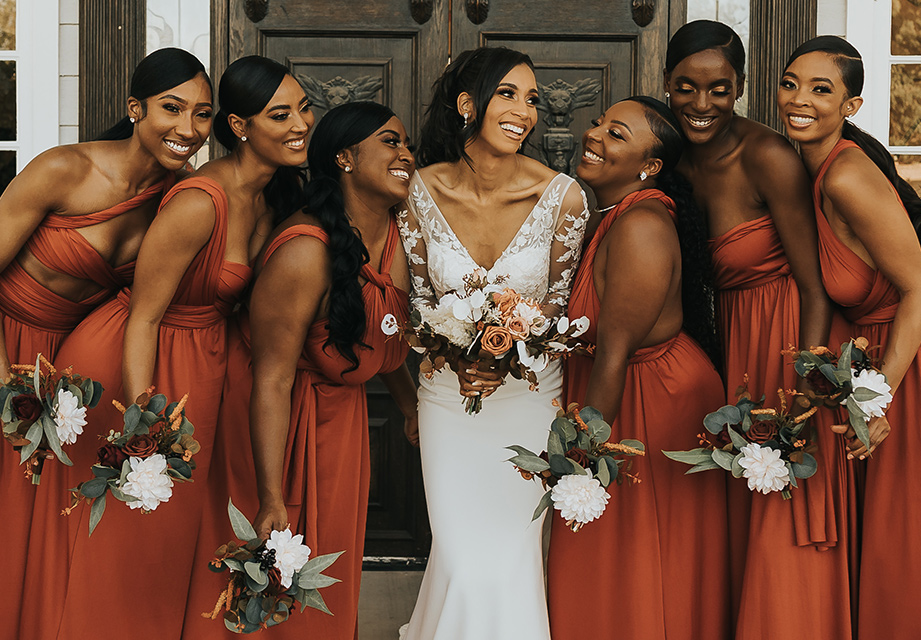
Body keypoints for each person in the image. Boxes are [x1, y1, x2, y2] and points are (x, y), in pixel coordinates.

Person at [48, 55, 314, 638]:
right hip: (139, 358)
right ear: (242, 127)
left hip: (204, 363)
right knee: (128, 542)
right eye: (281, 113)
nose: (301, 123)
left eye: (304, 108)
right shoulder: (200, 200)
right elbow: (143, 317)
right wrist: (145, 422)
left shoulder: (270, 201)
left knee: (172, 542)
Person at [184, 101, 418, 639]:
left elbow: (373, 333)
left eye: (407, 144)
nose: (405, 154)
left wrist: (408, 403)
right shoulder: (304, 252)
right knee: (274, 570)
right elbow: (272, 378)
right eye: (390, 141)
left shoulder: (399, 238)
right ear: (345, 158)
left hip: (343, 423)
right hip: (280, 425)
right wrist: (268, 495)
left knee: (328, 579)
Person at [0, 47, 211, 640]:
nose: (188, 129)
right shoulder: (65, 170)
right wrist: (7, 387)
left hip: (65, 380)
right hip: (7, 344)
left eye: (202, 115)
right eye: (172, 109)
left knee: (36, 521)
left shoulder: (181, 198)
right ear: (134, 108)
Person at [663, 21, 851, 639]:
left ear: (740, 86)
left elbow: (815, 283)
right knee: (745, 489)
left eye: (719, 89)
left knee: (783, 491)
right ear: (667, 83)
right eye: (687, 87)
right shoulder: (675, 161)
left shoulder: (767, 155)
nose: (701, 103)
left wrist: (804, 380)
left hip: (787, 336)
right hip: (731, 343)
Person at [397, 47, 589, 639]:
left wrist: (504, 360)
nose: (525, 111)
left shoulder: (565, 199)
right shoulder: (417, 193)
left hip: (529, 401)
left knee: (509, 555)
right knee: (457, 552)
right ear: (467, 104)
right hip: (447, 402)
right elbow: (417, 307)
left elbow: (557, 318)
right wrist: (455, 356)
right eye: (508, 94)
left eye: (532, 99)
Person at [778, 35, 921, 639]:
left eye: (821, 90)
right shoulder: (808, 165)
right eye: (790, 83)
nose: (799, 99)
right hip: (885, 355)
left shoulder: (845, 177)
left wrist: (874, 398)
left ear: (851, 106)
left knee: (913, 539)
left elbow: (920, 291)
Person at [547, 96, 729, 640]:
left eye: (616, 133)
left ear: (649, 167)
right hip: (624, 383)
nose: (594, 134)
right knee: (622, 555)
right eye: (600, 122)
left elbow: (616, 351)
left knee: (625, 547)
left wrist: (582, 461)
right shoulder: (613, 215)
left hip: (648, 395)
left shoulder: (640, 225)